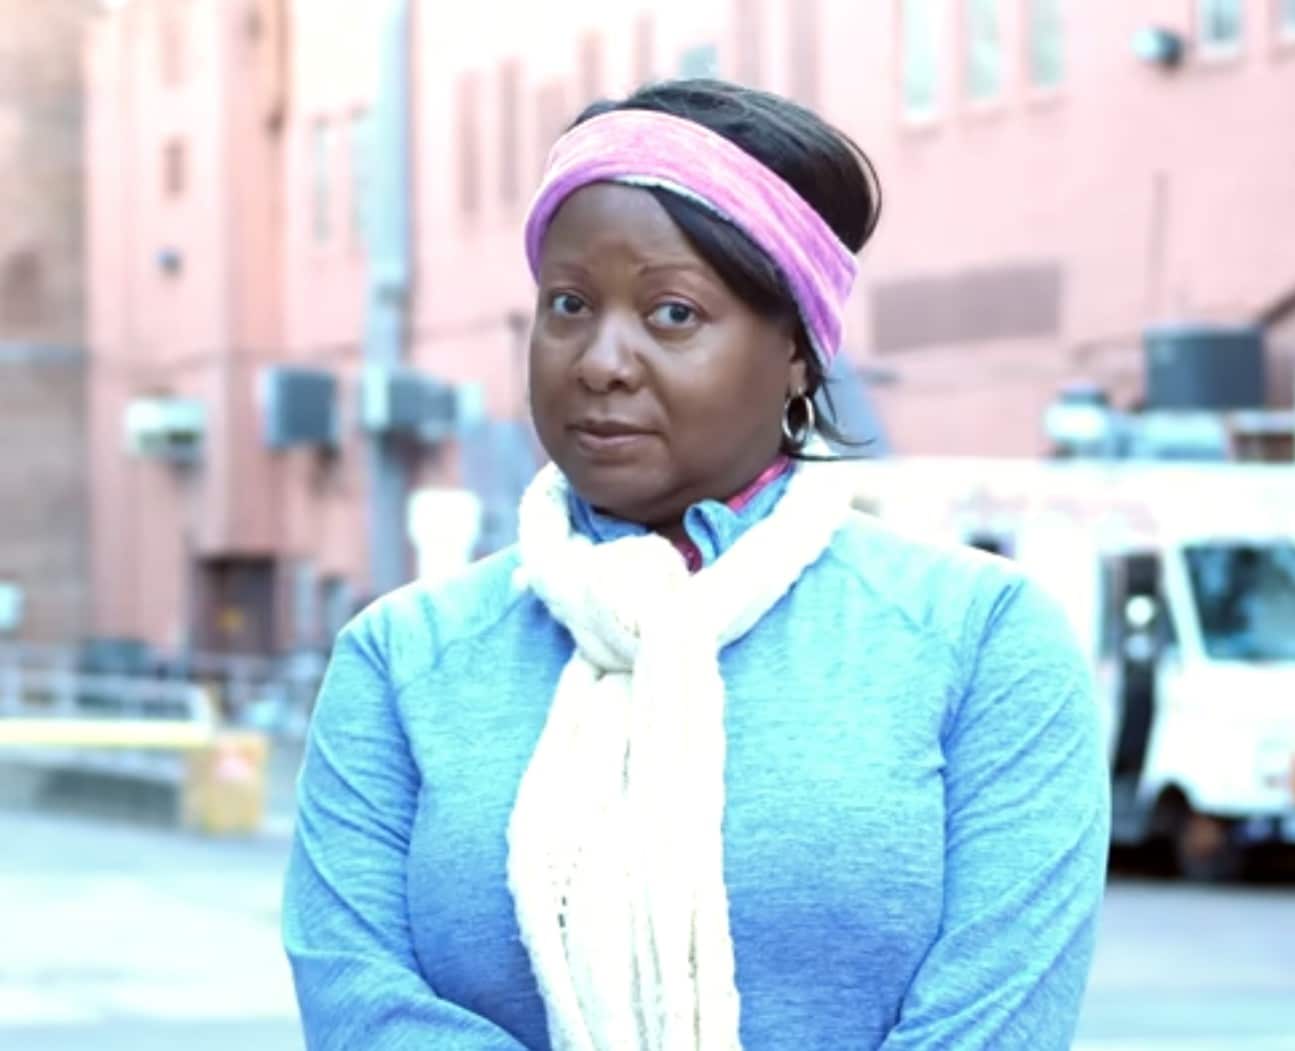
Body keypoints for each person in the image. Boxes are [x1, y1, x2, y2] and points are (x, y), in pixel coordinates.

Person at [282, 79, 1110, 1051]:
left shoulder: (979, 641)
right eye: (567, 304)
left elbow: (993, 1025)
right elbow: (360, 1003)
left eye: (671, 313)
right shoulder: (402, 659)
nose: (600, 360)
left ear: (797, 350)